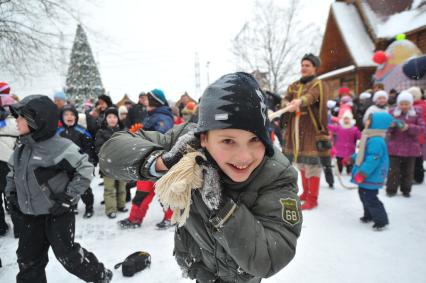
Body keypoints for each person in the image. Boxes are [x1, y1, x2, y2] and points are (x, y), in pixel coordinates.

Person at [100, 72, 301, 282]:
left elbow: (270, 258)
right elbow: (110, 153)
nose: (244, 156)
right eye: (228, 141)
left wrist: (222, 207)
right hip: (200, 271)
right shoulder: (187, 143)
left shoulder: (276, 175)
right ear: (204, 138)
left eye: (255, 140)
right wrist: (163, 162)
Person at [5, 95, 112, 282]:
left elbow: (85, 169)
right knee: (28, 260)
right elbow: (13, 173)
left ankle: (98, 274)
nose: (17, 121)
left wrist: (68, 197)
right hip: (30, 215)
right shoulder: (21, 148)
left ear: (36, 120)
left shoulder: (60, 146)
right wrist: (11, 193)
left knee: (68, 256)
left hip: (58, 212)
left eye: (21, 117)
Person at [118, 89, 174, 229]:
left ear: (155, 102)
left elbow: (163, 139)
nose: (145, 101)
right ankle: (134, 218)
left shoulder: (163, 117)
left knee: (163, 193)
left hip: (159, 161)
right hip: (146, 161)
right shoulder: (151, 115)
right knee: (141, 193)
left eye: (149, 99)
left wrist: (141, 137)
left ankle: (171, 218)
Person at [282, 53, 330, 210]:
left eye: (307, 65)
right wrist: (287, 103)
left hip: (311, 130)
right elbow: (285, 98)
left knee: (312, 165)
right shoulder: (294, 85)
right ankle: (305, 192)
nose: (303, 68)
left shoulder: (318, 84)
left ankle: (312, 198)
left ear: (315, 68)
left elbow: (311, 96)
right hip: (296, 132)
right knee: (301, 163)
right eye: (302, 65)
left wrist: (299, 101)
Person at [349, 112, 393, 231]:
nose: (366, 122)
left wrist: (363, 173)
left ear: (377, 124)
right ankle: (369, 215)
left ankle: (381, 221)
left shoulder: (376, 140)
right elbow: (363, 154)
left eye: (369, 120)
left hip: (371, 175)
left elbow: (372, 159)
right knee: (364, 196)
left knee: (370, 198)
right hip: (367, 175)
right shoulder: (369, 137)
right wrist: (352, 158)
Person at [56, 104, 97, 218]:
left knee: (84, 188)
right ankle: (72, 205)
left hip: (80, 166)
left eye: (72, 114)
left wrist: (90, 162)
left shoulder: (82, 131)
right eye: (66, 114)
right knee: (68, 188)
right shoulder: (57, 133)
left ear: (76, 117)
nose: (69, 116)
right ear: (62, 117)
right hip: (64, 167)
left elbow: (89, 148)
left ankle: (89, 207)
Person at [386, 91, 425, 197]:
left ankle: (406, 190)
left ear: (410, 104)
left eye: (406, 104)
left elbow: (422, 129)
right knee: (393, 171)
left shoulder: (416, 113)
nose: (404, 106)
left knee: (408, 171)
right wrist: (391, 126)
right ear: (398, 103)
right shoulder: (392, 113)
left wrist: (409, 127)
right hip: (395, 147)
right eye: (401, 104)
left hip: (411, 148)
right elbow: (386, 130)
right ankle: (391, 189)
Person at [95, 106, 127, 218]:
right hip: (107, 165)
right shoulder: (101, 132)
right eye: (109, 117)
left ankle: (121, 205)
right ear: (105, 119)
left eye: (114, 117)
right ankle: (110, 209)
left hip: (121, 165)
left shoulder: (123, 131)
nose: (112, 119)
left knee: (121, 186)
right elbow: (99, 148)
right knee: (109, 188)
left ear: (118, 118)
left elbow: (127, 147)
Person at [409, 86, 426, 184]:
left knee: (415, 158)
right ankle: (418, 176)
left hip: (415, 135)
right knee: (418, 157)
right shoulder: (424, 104)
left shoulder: (413, 107)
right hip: (421, 135)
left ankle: (417, 177)